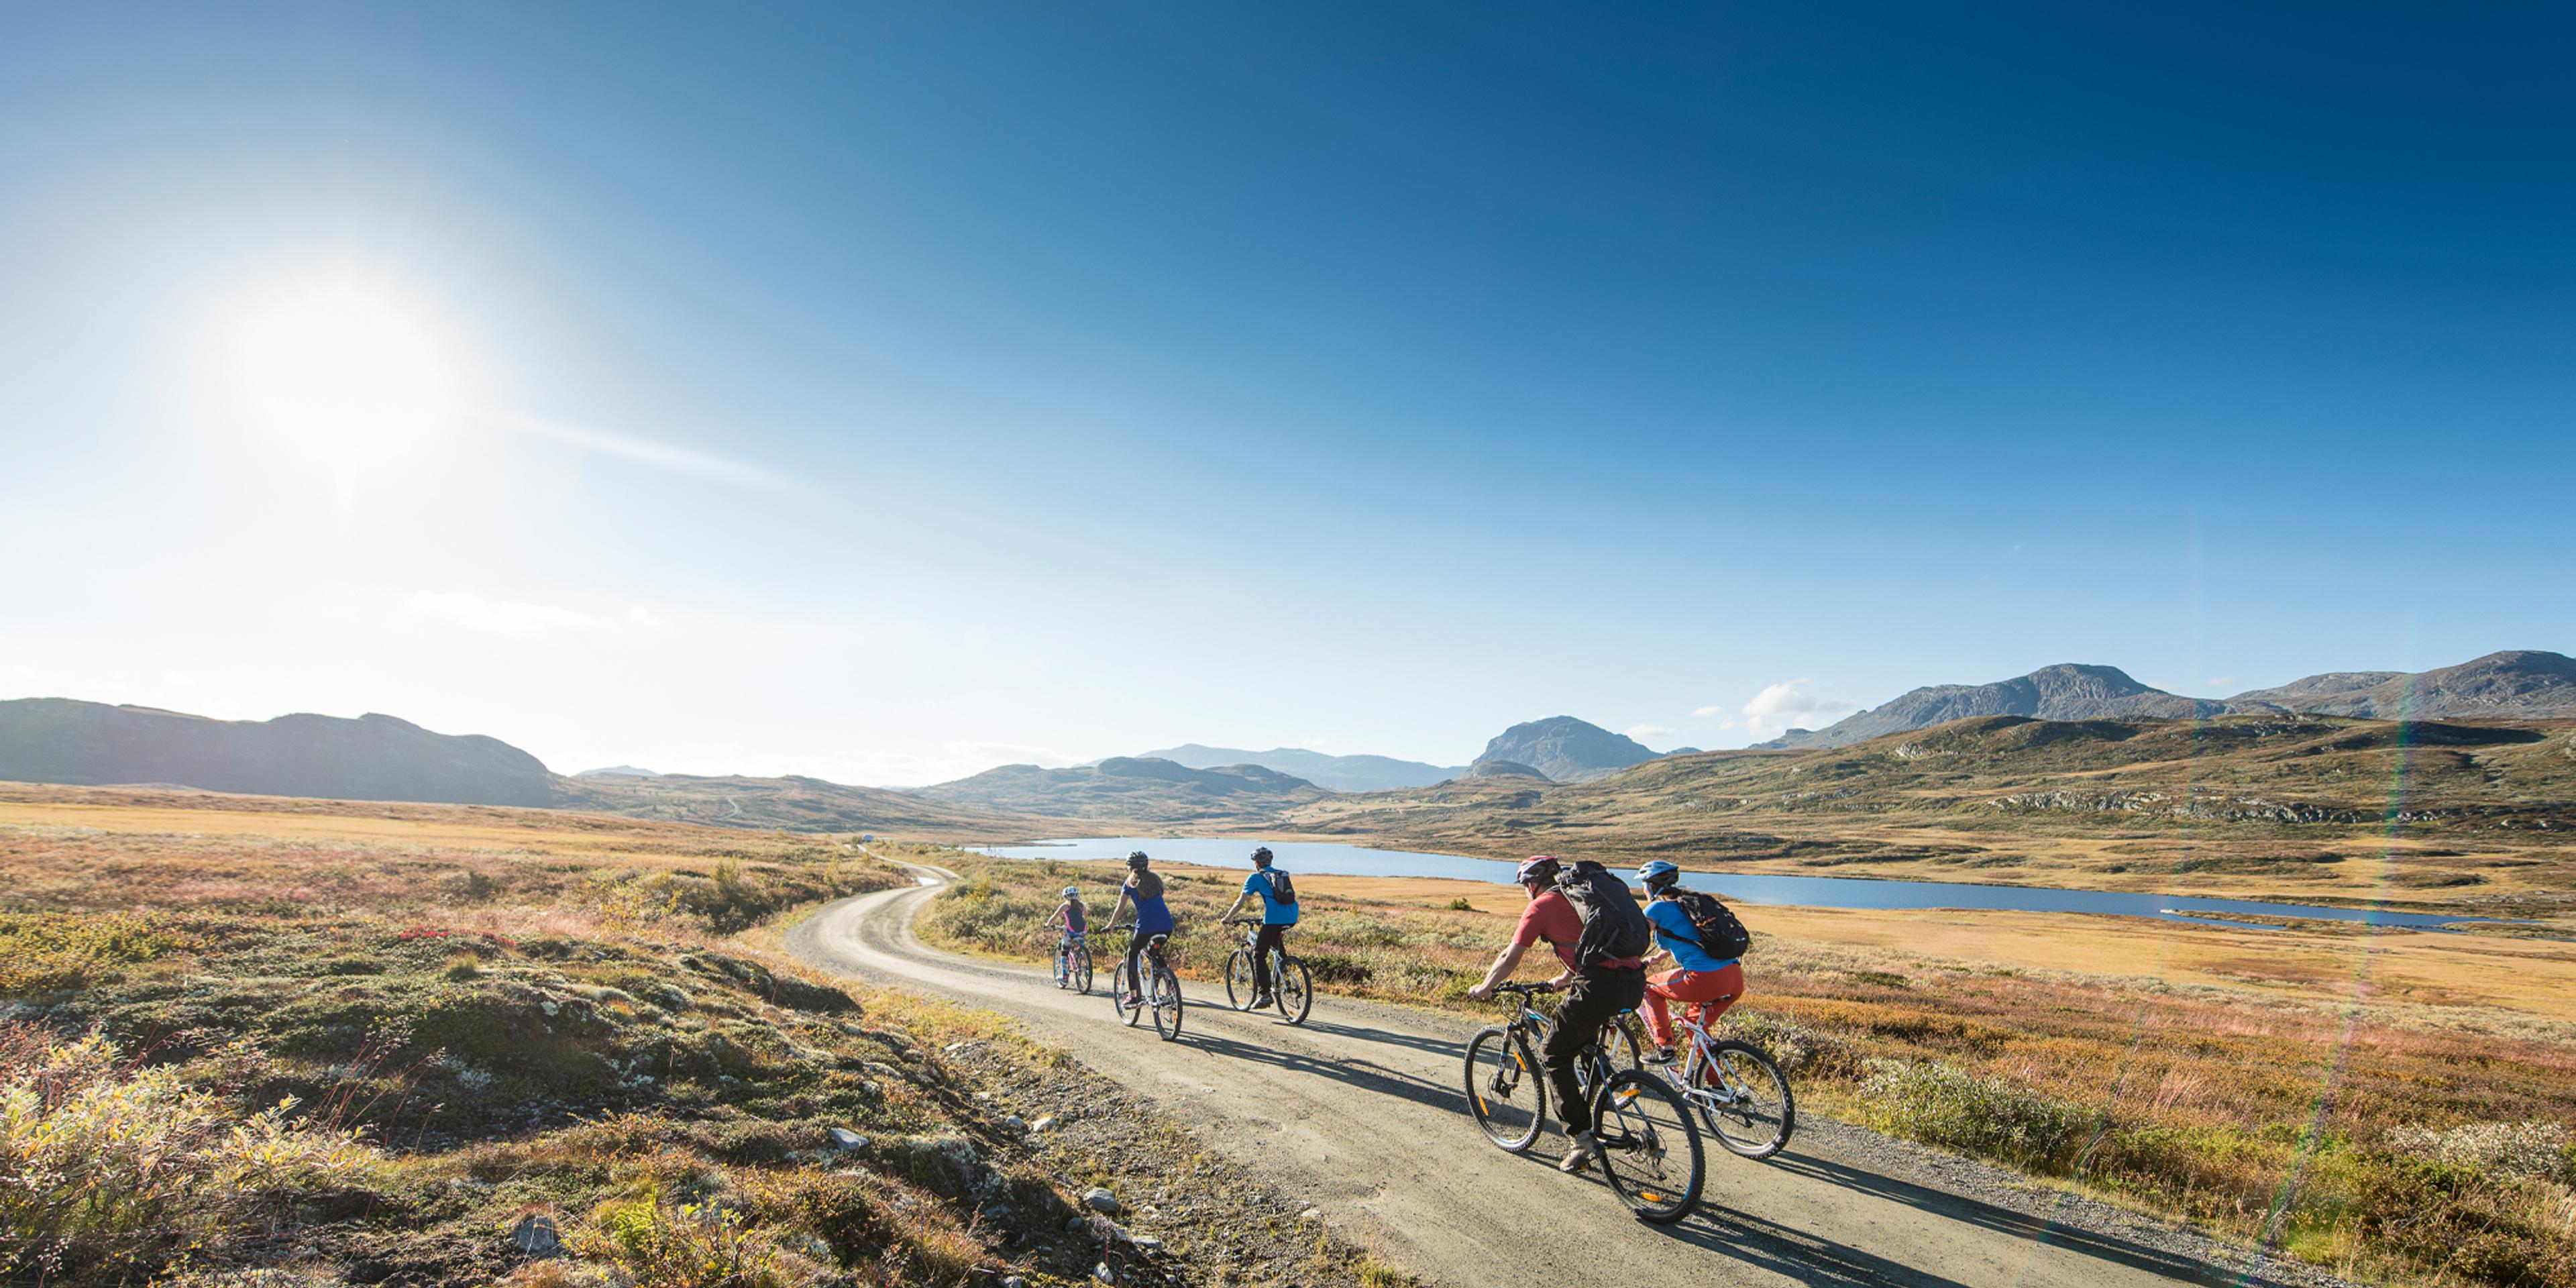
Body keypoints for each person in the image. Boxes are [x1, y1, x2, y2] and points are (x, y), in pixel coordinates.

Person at [1468, 855, 1648, 1175]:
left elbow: (1510, 956)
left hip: (1599, 986)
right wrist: (1565, 979)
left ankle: (1581, 1139)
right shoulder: (1584, 896)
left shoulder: (1541, 906)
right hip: (1633, 983)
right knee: (1584, 1043)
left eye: (1525, 885)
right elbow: (1590, 944)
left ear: (1532, 883)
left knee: (1552, 1053)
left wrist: (1485, 987)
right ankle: (1596, 1100)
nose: (1526, 890)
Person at [1631, 861, 1745, 1063]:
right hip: (1734, 977)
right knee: (1694, 1024)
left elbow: (1634, 940)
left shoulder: (1655, 908)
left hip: (1704, 979)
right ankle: (1714, 1088)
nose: (1643, 888)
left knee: (1649, 987)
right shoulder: (1688, 903)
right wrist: (1657, 958)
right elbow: (1688, 937)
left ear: (1650, 885)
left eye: (1644, 884)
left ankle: (1664, 1049)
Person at [1219, 845, 1298, 1008]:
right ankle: (1286, 983)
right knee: (1279, 952)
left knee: (1259, 954)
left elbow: (1240, 902)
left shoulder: (1255, 877)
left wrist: (1228, 918)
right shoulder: (1280, 874)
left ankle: (1265, 994)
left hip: (1274, 919)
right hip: (1291, 916)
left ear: (1256, 863)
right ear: (1270, 861)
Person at [1108, 851, 1175, 1006]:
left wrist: (1111, 925)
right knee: (1155, 954)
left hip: (1146, 926)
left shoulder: (1130, 882)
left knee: (1132, 954)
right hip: (1166, 925)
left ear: (1129, 866)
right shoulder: (1156, 880)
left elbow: (1120, 908)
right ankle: (1169, 985)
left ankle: (1133, 996)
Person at [1051, 884, 1089, 975]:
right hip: (1083, 931)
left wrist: (1048, 924)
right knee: (1082, 945)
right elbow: (1085, 917)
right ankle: (1087, 965)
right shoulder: (1082, 906)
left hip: (1071, 933)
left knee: (1065, 951)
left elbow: (1054, 917)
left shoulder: (1065, 907)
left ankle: (1064, 976)